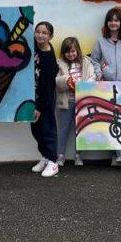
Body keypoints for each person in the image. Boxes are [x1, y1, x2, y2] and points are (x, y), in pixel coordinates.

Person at [90, 6, 121, 166]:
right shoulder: (100, 41)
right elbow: (94, 60)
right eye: (110, 20)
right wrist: (99, 72)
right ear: (107, 23)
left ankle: (119, 155)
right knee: (112, 118)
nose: (113, 23)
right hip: (107, 85)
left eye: (116, 20)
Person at [55, 36, 92, 167]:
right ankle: (60, 156)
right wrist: (67, 81)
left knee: (81, 129)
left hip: (82, 101)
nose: (71, 54)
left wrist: (83, 85)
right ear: (63, 53)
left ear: (78, 51)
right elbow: (56, 81)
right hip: (66, 101)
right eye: (67, 52)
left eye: (73, 51)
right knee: (63, 129)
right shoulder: (59, 64)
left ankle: (78, 156)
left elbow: (92, 78)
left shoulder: (86, 62)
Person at [30, 21, 60, 177]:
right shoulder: (34, 47)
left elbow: (47, 86)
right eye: (38, 32)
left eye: (44, 33)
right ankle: (45, 156)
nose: (40, 35)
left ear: (51, 36)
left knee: (47, 129)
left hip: (45, 98)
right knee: (35, 129)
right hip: (33, 96)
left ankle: (53, 162)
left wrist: (40, 107)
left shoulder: (48, 57)